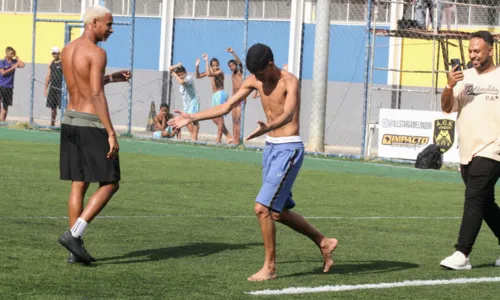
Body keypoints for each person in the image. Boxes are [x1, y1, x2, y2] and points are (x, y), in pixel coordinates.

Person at [169, 43, 338, 281]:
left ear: (270, 64)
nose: (257, 78)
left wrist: (268, 127)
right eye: (254, 74)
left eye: (260, 73)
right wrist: (191, 117)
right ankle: (324, 242)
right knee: (277, 213)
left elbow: (289, 113)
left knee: (262, 209)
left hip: (289, 149)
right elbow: (226, 106)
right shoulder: (255, 80)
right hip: (270, 149)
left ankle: (269, 268)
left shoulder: (289, 81)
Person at [57, 5, 132, 265]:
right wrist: (111, 132)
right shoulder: (98, 52)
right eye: (108, 25)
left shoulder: (67, 49)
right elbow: (97, 95)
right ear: (94, 23)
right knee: (111, 183)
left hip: (70, 121)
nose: (111, 30)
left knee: (78, 183)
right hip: (91, 124)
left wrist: (110, 78)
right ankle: (74, 235)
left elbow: (83, 85)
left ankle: (74, 251)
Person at [440, 31, 500, 270]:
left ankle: (462, 253)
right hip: (467, 152)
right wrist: (449, 85)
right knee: (485, 203)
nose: (473, 55)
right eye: (470, 51)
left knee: (474, 198)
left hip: (493, 149)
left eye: (477, 51)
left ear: (490, 50)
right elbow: (447, 108)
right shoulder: (463, 78)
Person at [195, 54, 232, 144]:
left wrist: (206, 60)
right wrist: (197, 66)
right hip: (215, 96)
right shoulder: (210, 70)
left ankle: (218, 139)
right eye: (214, 65)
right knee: (214, 118)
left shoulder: (220, 72)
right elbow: (198, 76)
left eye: (217, 65)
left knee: (219, 117)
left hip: (220, 94)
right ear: (211, 66)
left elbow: (209, 74)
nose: (215, 67)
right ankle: (228, 136)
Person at [169, 63, 199, 141]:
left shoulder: (189, 78)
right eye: (179, 75)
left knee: (194, 120)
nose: (181, 76)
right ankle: (193, 136)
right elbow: (170, 68)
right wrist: (177, 65)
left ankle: (194, 137)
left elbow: (182, 82)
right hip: (186, 105)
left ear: (185, 72)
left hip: (193, 102)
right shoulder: (180, 84)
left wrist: (175, 75)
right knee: (186, 121)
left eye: (182, 74)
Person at [226, 47, 245, 144]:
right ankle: (235, 140)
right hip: (234, 98)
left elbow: (240, 63)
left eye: (232, 65)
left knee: (238, 119)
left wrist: (232, 52)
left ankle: (238, 141)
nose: (231, 67)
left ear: (235, 65)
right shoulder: (232, 75)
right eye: (229, 66)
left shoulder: (240, 72)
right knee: (234, 120)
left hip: (241, 98)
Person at [0, 46, 25, 121]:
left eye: (13, 54)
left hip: (9, 86)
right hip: (1, 85)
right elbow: (3, 73)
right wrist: (13, 67)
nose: (12, 55)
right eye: (11, 54)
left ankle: (2, 121)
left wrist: (18, 59)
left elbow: (22, 65)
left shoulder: (14, 61)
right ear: (7, 53)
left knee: (6, 105)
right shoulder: (2, 62)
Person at [44, 46, 63, 126]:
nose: (55, 55)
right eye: (53, 53)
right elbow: (48, 76)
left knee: (62, 107)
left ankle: (63, 124)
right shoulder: (50, 63)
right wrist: (45, 88)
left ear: (59, 53)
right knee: (53, 108)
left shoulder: (63, 62)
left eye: (56, 53)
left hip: (61, 88)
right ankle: (52, 123)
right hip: (52, 88)